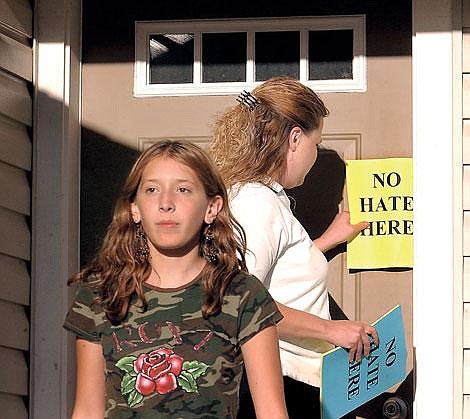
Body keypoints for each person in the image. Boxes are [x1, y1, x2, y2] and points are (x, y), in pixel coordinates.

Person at [63, 140, 288, 419]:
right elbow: (87, 411)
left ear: (212, 207)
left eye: (183, 190)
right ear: (134, 208)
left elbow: (272, 412)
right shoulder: (101, 294)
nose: (166, 203)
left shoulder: (242, 294)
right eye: (152, 189)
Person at [208, 77, 379, 418]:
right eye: (317, 143)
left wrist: (324, 242)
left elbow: (271, 277)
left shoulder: (262, 199)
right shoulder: (257, 202)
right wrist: (332, 330)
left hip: (286, 380)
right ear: (295, 138)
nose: (315, 155)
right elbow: (237, 301)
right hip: (277, 382)